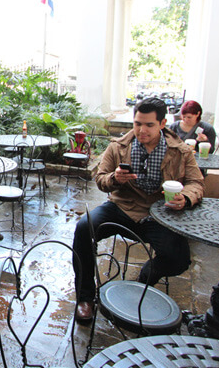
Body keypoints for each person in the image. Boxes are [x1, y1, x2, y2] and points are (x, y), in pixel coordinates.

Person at [72, 97, 205, 321]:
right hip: (122, 207)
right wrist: (115, 178)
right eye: (137, 124)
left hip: (160, 214)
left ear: (162, 124)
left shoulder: (180, 151)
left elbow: (197, 183)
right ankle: (85, 298)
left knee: (179, 257)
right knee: (84, 229)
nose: (141, 130)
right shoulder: (119, 146)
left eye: (149, 125)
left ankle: (144, 280)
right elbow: (101, 179)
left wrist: (186, 197)